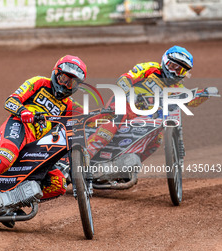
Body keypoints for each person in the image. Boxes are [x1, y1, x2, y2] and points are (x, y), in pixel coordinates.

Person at [0, 55, 87, 220]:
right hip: (18, 126)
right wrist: (24, 112)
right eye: (63, 78)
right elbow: (10, 101)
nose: (65, 84)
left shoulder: (70, 105)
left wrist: (108, 115)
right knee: (6, 156)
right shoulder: (38, 83)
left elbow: (86, 118)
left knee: (59, 184)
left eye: (70, 82)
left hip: (35, 146)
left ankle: (8, 203)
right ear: (55, 73)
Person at [87, 45, 218, 166]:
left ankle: (126, 165)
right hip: (125, 104)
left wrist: (204, 94)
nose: (175, 72)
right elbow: (124, 79)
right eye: (173, 66)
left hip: (144, 117)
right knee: (117, 117)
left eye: (180, 70)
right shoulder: (150, 68)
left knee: (157, 139)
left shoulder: (177, 86)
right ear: (165, 61)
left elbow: (189, 100)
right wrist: (131, 94)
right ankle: (87, 155)